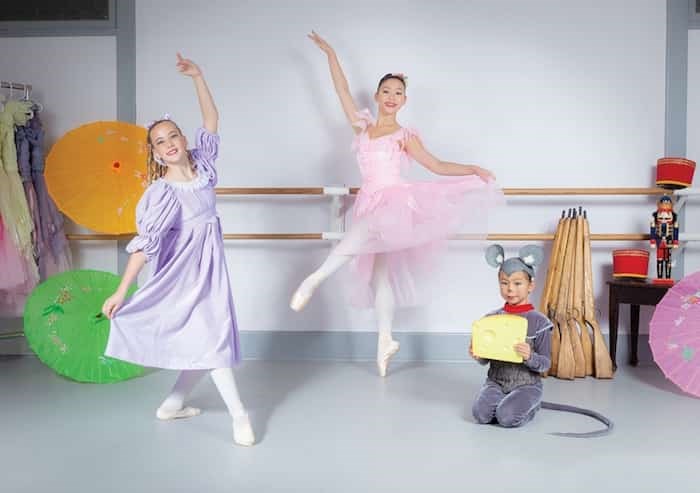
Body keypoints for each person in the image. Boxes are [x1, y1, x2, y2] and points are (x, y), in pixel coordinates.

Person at [290, 31, 502, 377]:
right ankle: (385, 339)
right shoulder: (362, 127)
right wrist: (329, 53)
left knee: (358, 237)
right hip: (369, 202)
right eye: (386, 91)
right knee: (380, 275)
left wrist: (472, 169)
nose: (391, 97)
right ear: (376, 96)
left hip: (396, 202)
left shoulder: (405, 135)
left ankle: (313, 280)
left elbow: (436, 165)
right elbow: (341, 90)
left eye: (398, 93)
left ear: (404, 101)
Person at [102, 53, 254, 446]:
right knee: (211, 340)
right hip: (182, 275)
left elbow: (212, 119)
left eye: (173, 136)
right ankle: (240, 416)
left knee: (206, 339)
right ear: (155, 154)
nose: (168, 144)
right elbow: (144, 245)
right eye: (159, 141)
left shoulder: (204, 169)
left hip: (211, 270)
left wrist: (198, 77)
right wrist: (122, 290)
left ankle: (172, 403)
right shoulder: (161, 193)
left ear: (185, 141)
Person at [470, 244, 552, 428]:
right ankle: (507, 401)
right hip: (496, 382)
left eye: (517, 283)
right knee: (480, 415)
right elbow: (485, 359)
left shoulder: (539, 322)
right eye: (504, 283)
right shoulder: (491, 319)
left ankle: (532, 404)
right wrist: (478, 354)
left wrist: (529, 356)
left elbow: (546, 364)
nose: (510, 289)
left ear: (530, 285)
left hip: (527, 385)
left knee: (506, 417)